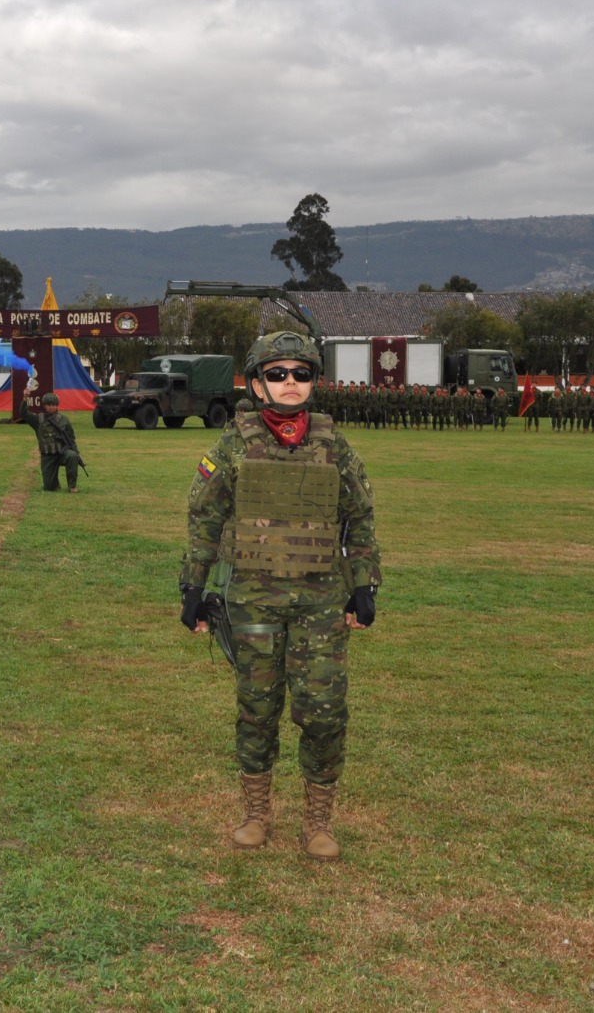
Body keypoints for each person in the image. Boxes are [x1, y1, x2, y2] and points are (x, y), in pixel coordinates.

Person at [179, 330, 381, 861]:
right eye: (277, 374)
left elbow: (359, 518)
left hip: (319, 601)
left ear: (315, 381)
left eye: (301, 374)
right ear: (257, 383)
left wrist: (363, 586)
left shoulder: (333, 444)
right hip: (252, 599)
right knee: (257, 707)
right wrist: (193, 588)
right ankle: (256, 815)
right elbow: (205, 518)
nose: (290, 384)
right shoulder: (233, 444)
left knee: (322, 711)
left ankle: (318, 822)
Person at [19, 391, 83, 492]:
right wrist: (25, 398)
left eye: (54, 405)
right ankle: (55, 484)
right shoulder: (38, 420)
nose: (51, 407)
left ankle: (72, 486)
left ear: (57, 405)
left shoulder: (64, 420)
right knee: (49, 488)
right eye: (49, 405)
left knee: (72, 456)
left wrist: (77, 453)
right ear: (44, 405)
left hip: (62, 453)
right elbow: (24, 414)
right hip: (48, 456)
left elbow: (71, 439)